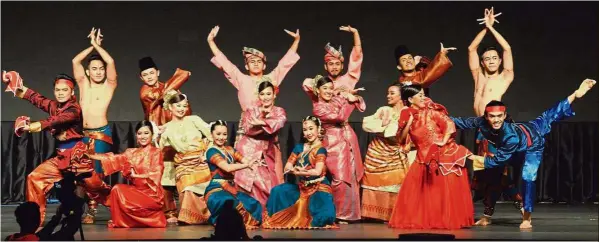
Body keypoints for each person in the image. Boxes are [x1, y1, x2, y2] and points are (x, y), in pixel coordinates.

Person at [452, 79, 596, 229]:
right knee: (495, 176)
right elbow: (460, 122)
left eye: (499, 116)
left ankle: (527, 217)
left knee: (528, 176)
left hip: (532, 146)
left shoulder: (510, 136)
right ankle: (487, 215)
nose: (496, 120)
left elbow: (497, 160)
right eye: (492, 116)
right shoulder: (481, 122)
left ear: (504, 115)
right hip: (520, 137)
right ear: (486, 117)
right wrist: (433, 114)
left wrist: (471, 156)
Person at [2, 71, 111, 225]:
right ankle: (34, 221)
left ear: (72, 91)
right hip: (61, 158)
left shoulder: (74, 110)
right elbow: (37, 99)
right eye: (58, 90)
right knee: (35, 178)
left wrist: (30, 126)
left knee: (98, 189)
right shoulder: (54, 105)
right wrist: (16, 85)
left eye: (64, 90)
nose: (60, 93)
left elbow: (55, 121)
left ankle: (125, 208)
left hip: (79, 159)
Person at [388, 84, 474, 229]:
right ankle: (429, 219)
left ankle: (443, 219)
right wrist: (409, 122)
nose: (423, 97)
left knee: (441, 191)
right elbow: (401, 139)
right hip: (422, 157)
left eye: (423, 94)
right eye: (420, 95)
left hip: (441, 155)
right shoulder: (406, 116)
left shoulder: (431, 112)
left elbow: (449, 124)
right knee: (425, 192)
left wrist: (443, 141)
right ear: (410, 99)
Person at [468, 8, 523, 225]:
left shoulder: (504, 77)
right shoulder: (478, 76)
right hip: (483, 129)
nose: (491, 61)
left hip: (498, 129)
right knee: (486, 175)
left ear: (499, 61)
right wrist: (484, 28)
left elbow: (507, 48)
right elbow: (472, 48)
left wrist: (492, 27)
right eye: (487, 58)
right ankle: (488, 215)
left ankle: (523, 210)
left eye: (494, 58)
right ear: (482, 62)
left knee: (497, 173)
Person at [207, 25, 300, 145]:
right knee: (246, 159)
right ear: (246, 66)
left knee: (269, 159)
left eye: (259, 61)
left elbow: (285, 63)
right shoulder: (241, 79)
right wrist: (211, 42)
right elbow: (225, 63)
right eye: (252, 62)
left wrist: (296, 41)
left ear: (264, 65)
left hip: (268, 124)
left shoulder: (271, 78)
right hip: (248, 125)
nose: (256, 64)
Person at [71, 28, 118, 223]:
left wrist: (98, 46)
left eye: (101, 68)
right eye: (94, 69)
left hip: (100, 134)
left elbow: (111, 62)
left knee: (95, 173)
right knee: (80, 173)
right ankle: (77, 209)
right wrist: (91, 45)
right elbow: (75, 61)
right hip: (83, 134)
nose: (98, 71)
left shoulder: (109, 85)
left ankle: (92, 211)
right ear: (88, 71)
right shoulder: (83, 84)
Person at [138, 56, 192, 223]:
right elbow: (161, 95)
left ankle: (186, 209)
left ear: (158, 72)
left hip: (175, 131)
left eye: (151, 73)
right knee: (164, 174)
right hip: (159, 134)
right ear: (141, 78)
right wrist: (180, 78)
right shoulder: (146, 92)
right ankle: (168, 211)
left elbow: (182, 106)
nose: (149, 77)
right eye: (145, 75)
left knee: (181, 171)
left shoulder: (169, 88)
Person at [306, 75, 365, 223]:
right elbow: (339, 117)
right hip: (333, 144)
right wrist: (350, 102)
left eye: (331, 88)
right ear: (318, 90)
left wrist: (354, 97)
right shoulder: (318, 107)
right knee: (340, 178)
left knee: (352, 176)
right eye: (325, 88)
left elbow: (358, 103)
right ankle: (340, 214)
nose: (328, 91)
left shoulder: (336, 99)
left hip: (349, 139)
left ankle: (352, 215)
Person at [86, 120, 167, 228]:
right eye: (139, 133)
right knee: (116, 189)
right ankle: (120, 221)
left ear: (152, 134)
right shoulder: (131, 152)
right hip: (137, 191)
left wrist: (136, 176)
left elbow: (156, 174)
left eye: (146, 133)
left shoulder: (156, 152)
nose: (143, 136)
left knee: (118, 191)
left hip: (152, 194)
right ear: (136, 135)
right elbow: (113, 159)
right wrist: (92, 155)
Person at [263, 116, 337, 229]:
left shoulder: (320, 149)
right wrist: (293, 170)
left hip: (319, 187)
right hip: (303, 188)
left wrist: (300, 172)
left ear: (318, 129)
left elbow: (317, 171)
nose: (308, 132)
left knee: (323, 217)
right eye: (305, 129)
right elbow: (287, 167)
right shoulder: (299, 147)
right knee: (278, 191)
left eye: (311, 129)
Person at [360, 84, 416, 222]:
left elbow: (410, 133)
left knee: (397, 181)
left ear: (401, 96)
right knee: (375, 181)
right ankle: (376, 215)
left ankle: (395, 214)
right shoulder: (384, 110)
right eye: (388, 93)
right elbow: (366, 124)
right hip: (378, 151)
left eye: (392, 93)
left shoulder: (410, 112)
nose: (388, 96)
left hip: (397, 151)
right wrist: (383, 125)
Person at [159, 91, 213, 225]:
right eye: (178, 106)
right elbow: (159, 150)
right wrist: (158, 136)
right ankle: (193, 217)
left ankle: (211, 215)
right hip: (184, 166)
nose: (182, 109)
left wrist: (206, 155)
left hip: (202, 162)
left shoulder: (194, 119)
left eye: (184, 106)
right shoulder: (166, 128)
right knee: (188, 188)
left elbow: (212, 137)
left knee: (210, 186)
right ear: (170, 107)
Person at [235, 81, 287, 206]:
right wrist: (260, 123)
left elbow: (280, 121)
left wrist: (262, 122)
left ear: (274, 95)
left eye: (269, 93)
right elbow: (248, 129)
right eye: (262, 94)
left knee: (269, 185)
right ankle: (250, 213)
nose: (266, 97)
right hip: (248, 149)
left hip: (267, 151)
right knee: (249, 183)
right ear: (259, 96)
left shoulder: (279, 111)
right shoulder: (251, 111)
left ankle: (263, 212)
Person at [204, 120, 263, 229]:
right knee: (230, 203)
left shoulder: (230, 149)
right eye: (218, 134)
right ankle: (237, 225)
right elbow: (227, 167)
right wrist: (247, 165)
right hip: (216, 190)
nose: (221, 137)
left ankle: (242, 224)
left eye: (224, 134)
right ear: (211, 134)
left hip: (230, 189)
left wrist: (253, 162)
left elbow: (244, 160)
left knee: (253, 204)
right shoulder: (211, 151)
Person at [302, 25, 363, 100]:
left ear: (342, 66)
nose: (334, 67)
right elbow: (306, 84)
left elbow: (356, 57)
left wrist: (355, 33)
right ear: (325, 66)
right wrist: (333, 91)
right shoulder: (321, 82)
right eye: (331, 64)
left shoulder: (349, 79)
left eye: (337, 64)